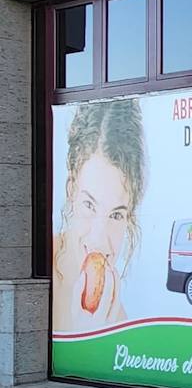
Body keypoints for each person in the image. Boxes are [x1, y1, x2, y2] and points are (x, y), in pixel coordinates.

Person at [52, 98, 148, 333]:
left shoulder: (115, 316)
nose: (98, 240)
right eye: (89, 205)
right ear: (71, 190)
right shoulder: (41, 270)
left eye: (116, 215)